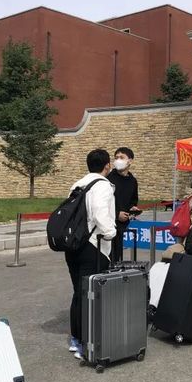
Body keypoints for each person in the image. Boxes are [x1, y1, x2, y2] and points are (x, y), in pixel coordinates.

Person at [67, 149, 117, 359]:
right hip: (93, 246)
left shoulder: (77, 184)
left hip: (73, 245)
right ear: (107, 166)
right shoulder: (103, 185)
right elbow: (99, 211)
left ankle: (76, 339)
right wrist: (110, 232)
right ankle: (88, 343)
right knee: (91, 293)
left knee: (79, 292)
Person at [107, 147, 140, 263]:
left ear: (130, 161)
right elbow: (103, 203)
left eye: (122, 157)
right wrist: (117, 214)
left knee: (117, 257)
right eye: (116, 158)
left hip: (122, 226)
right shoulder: (108, 179)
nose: (118, 160)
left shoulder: (132, 181)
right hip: (107, 225)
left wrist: (132, 209)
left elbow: (133, 200)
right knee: (106, 258)